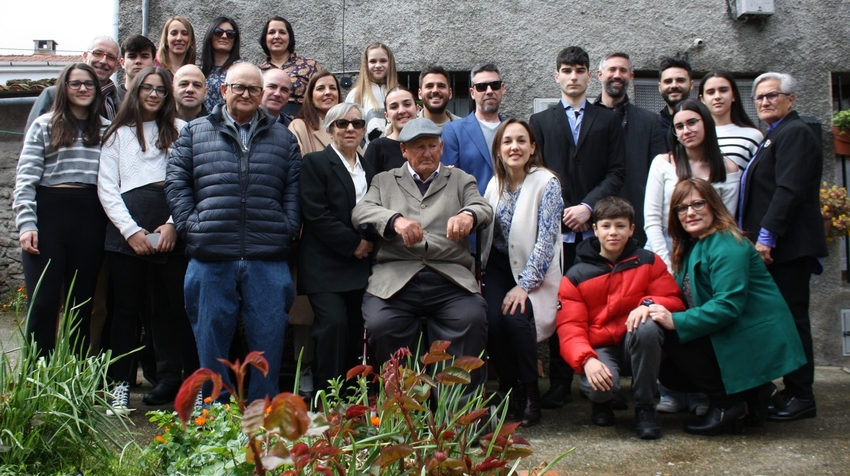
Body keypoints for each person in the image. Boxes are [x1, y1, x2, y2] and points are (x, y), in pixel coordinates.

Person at [165, 63, 301, 402]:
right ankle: (212, 413)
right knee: (210, 341)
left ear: (261, 95)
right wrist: (190, 227)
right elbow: (176, 182)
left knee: (268, 342)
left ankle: (262, 414)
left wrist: (286, 228)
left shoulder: (283, 138)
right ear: (223, 90)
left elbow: (293, 190)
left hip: (266, 255)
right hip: (211, 252)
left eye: (254, 89)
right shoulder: (194, 132)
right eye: (239, 87)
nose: (246, 94)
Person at [650, 179, 806, 435]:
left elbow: (727, 306)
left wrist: (675, 321)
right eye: (681, 207)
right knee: (669, 368)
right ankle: (757, 393)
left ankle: (726, 404)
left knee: (670, 334)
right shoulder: (695, 245)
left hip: (751, 336)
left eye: (697, 203)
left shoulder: (726, 244)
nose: (689, 212)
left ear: (713, 205)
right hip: (733, 332)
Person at [351, 118, 492, 388]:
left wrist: (468, 214)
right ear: (404, 150)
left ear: (441, 148)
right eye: (418, 148)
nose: (426, 153)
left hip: (449, 278)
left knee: (471, 318)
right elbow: (361, 212)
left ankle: (455, 412)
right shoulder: (384, 181)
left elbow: (482, 206)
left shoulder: (461, 179)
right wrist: (394, 220)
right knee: (382, 324)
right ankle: (404, 409)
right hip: (396, 278)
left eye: (432, 146)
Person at [529, 46, 625, 409]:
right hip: (555, 234)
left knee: (597, 306)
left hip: (594, 232)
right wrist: (559, 209)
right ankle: (559, 381)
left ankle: (600, 379)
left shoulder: (608, 120)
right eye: (566, 70)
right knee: (558, 305)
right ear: (556, 76)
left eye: (580, 70)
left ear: (590, 76)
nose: (573, 76)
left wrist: (588, 207)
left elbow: (617, 172)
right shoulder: (541, 122)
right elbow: (535, 175)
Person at [98, 66, 197, 414]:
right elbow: (107, 188)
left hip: (172, 228)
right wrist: (132, 232)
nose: (154, 95)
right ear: (136, 90)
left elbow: (189, 182)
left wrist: (172, 225)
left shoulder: (182, 130)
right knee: (125, 311)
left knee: (180, 311)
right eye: (148, 89)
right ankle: (120, 387)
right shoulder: (116, 134)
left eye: (160, 90)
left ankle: (194, 388)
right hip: (128, 231)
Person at [738, 72, 828, 422]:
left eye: (772, 95)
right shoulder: (774, 136)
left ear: (791, 99)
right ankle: (789, 389)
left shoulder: (795, 133)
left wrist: (765, 238)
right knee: (780, 319)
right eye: (759, 97)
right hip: (779, 246)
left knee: (793, 319)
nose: (764, 102)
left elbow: (787, 191)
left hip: (787, 248)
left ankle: (801, 394)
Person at [557, 196, 684, 439]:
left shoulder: (649, 261)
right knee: (601, 387)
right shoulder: (576, 275)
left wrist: (648, 304)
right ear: (595, 229)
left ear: (631, 229)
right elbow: (569, 327)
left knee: (647, 326)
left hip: (635, 343)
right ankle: (602, 402)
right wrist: (587, 361)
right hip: (600, 348)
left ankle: (645, 407)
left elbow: (675, 300)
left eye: (620, 226)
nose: (613, 233)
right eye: (606, 226)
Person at [14, 63, 108, 355]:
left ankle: (75, 378)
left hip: (91, 216)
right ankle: (37, 377)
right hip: (49, 215)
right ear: (64, 88)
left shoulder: (107, 129)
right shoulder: (44, 124)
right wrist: (27, 223)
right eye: (75, 83)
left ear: (96, 90)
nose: (82, 89)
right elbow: (26, 178)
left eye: (88, 84)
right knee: (42, 302)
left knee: (82, 303)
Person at [479, 118, 563, 427]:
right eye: (507, 142)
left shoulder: (547, 183)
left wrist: (524, 286)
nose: (514, 147)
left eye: (521, 141)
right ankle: (509, 388)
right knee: (491, 321)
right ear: (498, 150)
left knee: (515, 320)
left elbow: (547, 241)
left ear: (532, 148)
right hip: (499, 266)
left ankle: (530, 393)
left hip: (533, 269)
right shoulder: (494, 183)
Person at [299, 103, 376, 395]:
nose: (350, 129)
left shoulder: (368, 167)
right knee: (333, 326)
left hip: (361, 264)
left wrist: (367, 242)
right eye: (342, 124)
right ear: (330, 129)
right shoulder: (315, 163)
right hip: (325, 264)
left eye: (357, 124)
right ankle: (327, 396)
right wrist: (353, 243)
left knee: (355, 331)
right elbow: (316, 214)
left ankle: (351, 396)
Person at [644, 98, 741, 272]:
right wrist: (666, 266)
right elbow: (651, 220)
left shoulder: (728, 168)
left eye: (692, 122)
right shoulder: (662, 163)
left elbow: (726, 221)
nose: (686, 131)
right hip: (664, 244)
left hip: (710, 246)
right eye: (679, 127)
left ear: (706, 122)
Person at [593, 52, 667, 246]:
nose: (617, 75)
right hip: (593, 220)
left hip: (637, 219)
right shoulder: (584, 119)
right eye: (612, 69)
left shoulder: (649, 121)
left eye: (623, 70)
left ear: (631, 77)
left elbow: (659, 173)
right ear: (600, 74)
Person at [25, 36, 122, 133]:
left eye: (110, 57)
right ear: (85, 56)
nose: (103, 61)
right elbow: (32, 138)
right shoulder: (53, 94)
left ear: (117, 66)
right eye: (97, 53)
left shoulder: (118, 102)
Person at [442, 63, 506, 195]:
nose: (489, 91)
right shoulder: (453, 132)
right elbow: (448, 182)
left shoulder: (515, 131)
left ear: (502, 88)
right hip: (472, 210)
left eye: (494, 85)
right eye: (481, 87)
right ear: (472, 92)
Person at [698, 71, 764, 170]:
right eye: (711, 92)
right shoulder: (694, 134)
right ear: (702, 99)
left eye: (723, 90)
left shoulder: (753, 136)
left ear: (733, 95)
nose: (717, 97)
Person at [257, 16, 322, 116]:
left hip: (302, 124)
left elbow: (320, 99)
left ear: (289, 38)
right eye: (271, 32)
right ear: (265, 38)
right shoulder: (257, 72)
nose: (277, 36)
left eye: (282, 32)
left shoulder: (310, 66)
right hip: (266, 125)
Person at [345, 42, 399, 141]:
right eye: (373, 61)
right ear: (366, 64)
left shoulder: (398, 93)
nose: (378, 65)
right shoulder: (356, 95)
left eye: (383, 61)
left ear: (390, 63)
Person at [363, 86, 418, 173]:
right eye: (394, 107)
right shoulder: (377, 147)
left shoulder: (430, 144)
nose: (401, 111)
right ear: (386, 115)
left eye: (407, 104)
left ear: (417, 109)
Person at [289, 70, 342, 155]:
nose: (328, 92)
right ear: (311, 98)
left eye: (332, 88)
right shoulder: (299, 127)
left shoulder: (350, 126)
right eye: (320, 88)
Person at [200, 16, 242, 112]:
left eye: (230, 34)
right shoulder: (199, 70)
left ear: (235, 41)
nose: (224, 36)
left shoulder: (241, 68)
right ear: (210, 36)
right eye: (218, 32)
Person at [657, 56, 693, 150]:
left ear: (691, 85)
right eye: (668, 81)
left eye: (680, 80)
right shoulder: (653, 125)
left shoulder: (703, 123)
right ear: (660, 87)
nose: (674, 85)